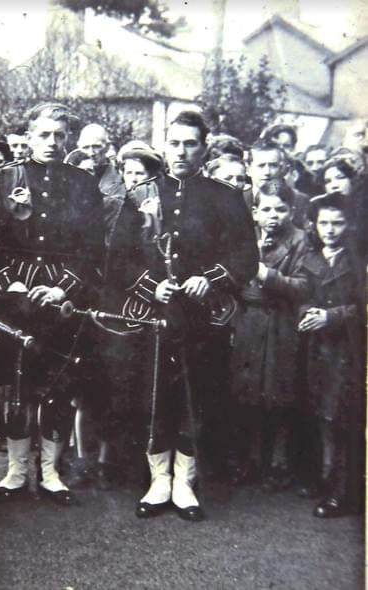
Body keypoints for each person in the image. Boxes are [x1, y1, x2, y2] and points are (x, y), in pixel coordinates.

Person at [0, 102, 104, 507]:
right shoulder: (5, 177)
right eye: (44, 135)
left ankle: (50, 471)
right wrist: (5, 285)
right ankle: (16, 471)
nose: (51, 143)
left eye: (59, 136)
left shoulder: (82, 183)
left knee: (59, 383)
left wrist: (67, 289)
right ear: (29, 137)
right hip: (16, 296)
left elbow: (93, 248)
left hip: (62, 298)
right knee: (17, 384)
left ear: (68, 139)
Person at [132, 110, 258, 521]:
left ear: (203, 148)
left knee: (196, 394)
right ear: (164, 146)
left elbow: (246, 256)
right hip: (155, 315)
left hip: (204, 315)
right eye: (175, 142)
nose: (182, 151)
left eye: (190, 143)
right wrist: (152, 286)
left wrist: (213, 279)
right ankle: (158, 480)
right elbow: (118, 257)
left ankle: (185, 482)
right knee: (156, 395)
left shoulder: (224, 196)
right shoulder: (141, 193)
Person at [227, 186, 313, 489]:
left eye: (280, 210)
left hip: (281, 323)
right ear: (255, 212)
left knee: (278, 395)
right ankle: (249, 460)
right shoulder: (246, 237)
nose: (273, 216)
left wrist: (267, 275)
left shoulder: (301, 240)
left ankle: (278, 463)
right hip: (248, 321)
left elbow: (304, 286)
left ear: (291, 211)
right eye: (266, 209)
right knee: (247, 394)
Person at [298, 194, 365, 517]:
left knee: (339, 417)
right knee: (315, 412)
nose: (330, 230)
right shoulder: (310, 257)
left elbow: (361, 308)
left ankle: (341, 492)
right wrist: (306, 311)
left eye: (338, 223)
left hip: (346, 350)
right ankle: (318, 478)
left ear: (349, 224)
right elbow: (300, 293)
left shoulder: (357, 263)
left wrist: (332, 316)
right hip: (314, 347)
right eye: (324, 223)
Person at [248, 142, 310, 227]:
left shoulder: (299, 200)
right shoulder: (237, 198)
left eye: (273, 166)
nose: (267, 172)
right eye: (261, 166)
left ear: (281, 169)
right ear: (249, 169)